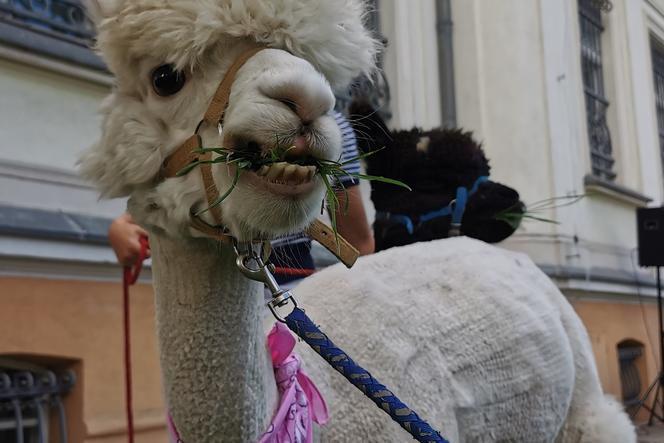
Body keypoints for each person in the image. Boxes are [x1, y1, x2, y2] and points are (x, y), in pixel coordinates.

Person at [109, 111, 374, 285]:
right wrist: (125, 228)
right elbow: (167, 201)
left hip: (296, 292)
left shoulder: (329, 128)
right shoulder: (197, 127)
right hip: (203, 299)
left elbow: (358, 244)